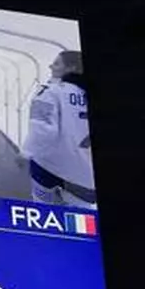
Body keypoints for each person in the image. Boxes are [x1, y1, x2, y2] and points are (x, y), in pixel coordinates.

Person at [21, 50, 95, 208]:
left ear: (71, 68)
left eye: (56, 63)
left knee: (45, 211)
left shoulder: (50, 92)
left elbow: (42, 130)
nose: (50, 66)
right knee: (80, 222)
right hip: (84, 173)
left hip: (48, 168)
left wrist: (25, 154)